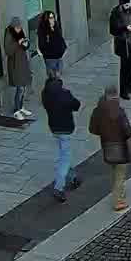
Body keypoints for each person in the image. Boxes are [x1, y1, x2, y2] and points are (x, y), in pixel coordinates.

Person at [89, 85, 131, 212]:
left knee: (114, 169)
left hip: (106, 145)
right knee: (120, 173)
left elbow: (92, 129)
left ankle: (118, 191)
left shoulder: (98, 111)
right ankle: (118, 200)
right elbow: (127, 131)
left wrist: (104, 133)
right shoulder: (119, 112)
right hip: (120, 146)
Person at [41, 70, 82, 202]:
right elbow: (76, 105)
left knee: (65, 153)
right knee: (64, 158)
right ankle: (59, 187)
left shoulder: (45, 93)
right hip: (65, 128)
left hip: (54, 127)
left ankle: (74, 177)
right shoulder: (64, 94)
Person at [111, 0, 131, 99]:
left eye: (128, 4)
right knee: (124, 68)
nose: (128, 6)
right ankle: (123, 91)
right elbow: (113, 30)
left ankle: (130, 86)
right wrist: (125, 28)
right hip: (123, 43)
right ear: (121, 4)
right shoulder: (115, 13)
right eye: (126, 4)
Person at [3, 18, 33, 120]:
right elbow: (8, 51)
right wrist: (18, 43)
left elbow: (25, 46)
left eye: (20, 27)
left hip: (23, 63)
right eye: (17, 27)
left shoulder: (20, 32)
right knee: (20, 88)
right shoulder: (8, 34)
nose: (19, 29)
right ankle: (16, 110)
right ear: (13, 27)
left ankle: (21, 107)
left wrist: (26, 43)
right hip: (15, 65)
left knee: (23, 87)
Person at [35, 9, 66, 74]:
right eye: (51, 18)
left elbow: (60, 39)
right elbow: (40, 45)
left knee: (58, 76)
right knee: (52, 77)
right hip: (50, 58)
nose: (53, 19)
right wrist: (45, 54)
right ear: (46, 19)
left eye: (53, 17)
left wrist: (64, 48)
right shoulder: (43, 31)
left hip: (59, 57)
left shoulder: (56, 28)